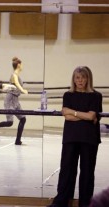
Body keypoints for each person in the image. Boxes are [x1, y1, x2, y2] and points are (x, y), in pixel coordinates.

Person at [47, 66, 102, 207]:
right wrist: (85, 116)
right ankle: (61, 201)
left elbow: (91, 116)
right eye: (77, 77)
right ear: (74, 79)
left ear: (88, 78)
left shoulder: (96, 95)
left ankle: (85, 203)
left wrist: (73, 112)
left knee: (87, 172)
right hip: (71, 137)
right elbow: (68, 117)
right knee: (66, 170)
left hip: (89, 138)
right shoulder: (68, 95)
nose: (80, 80)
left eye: (83, 77)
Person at [0, 57, 28, 145]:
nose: (22, 66)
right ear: (18, 65)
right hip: (10, 99)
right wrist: (23, 90)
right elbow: (17, 83)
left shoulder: (17, 75)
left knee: (23, 119)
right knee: (10, 122)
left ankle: (18, 140)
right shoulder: (14, 75)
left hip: (15, 99)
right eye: (21, 64)